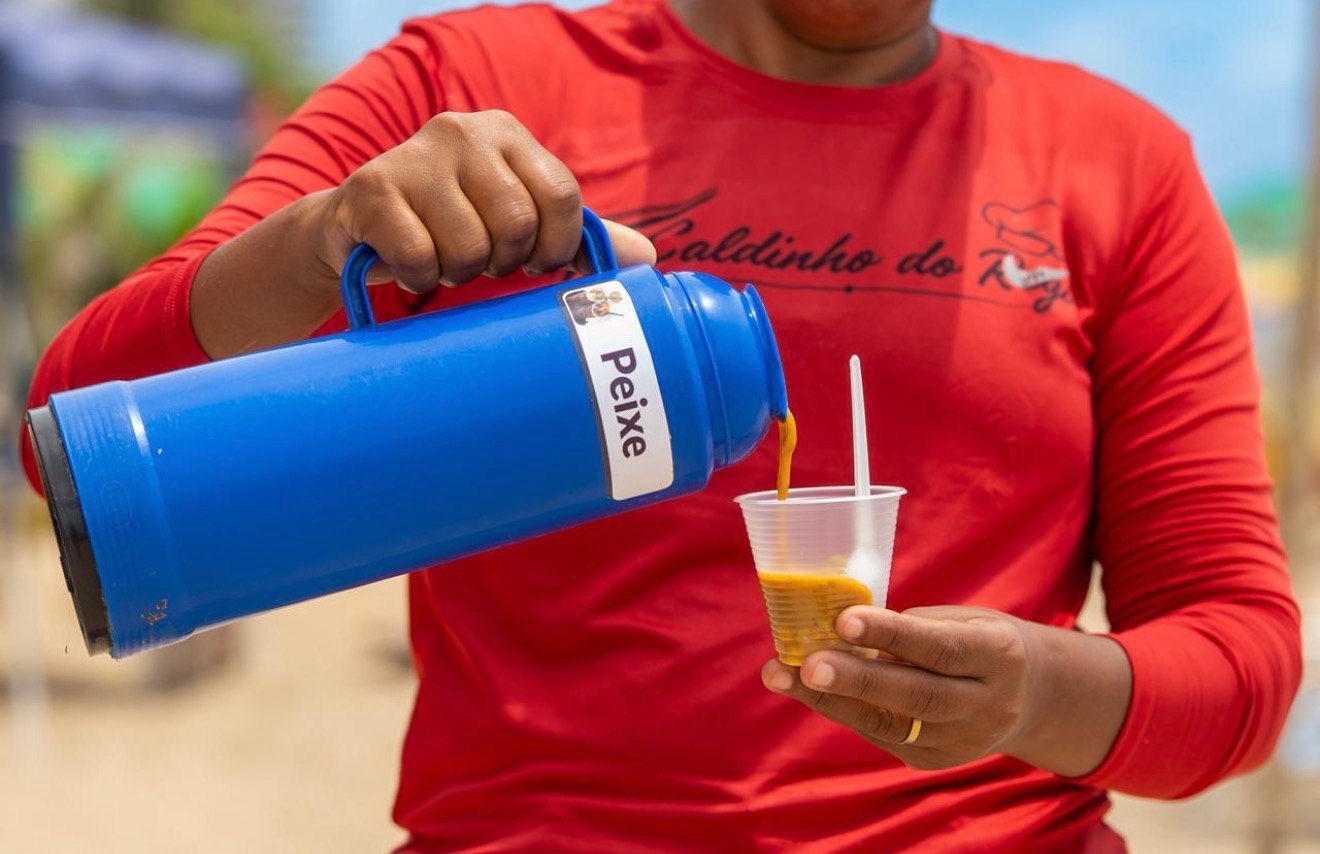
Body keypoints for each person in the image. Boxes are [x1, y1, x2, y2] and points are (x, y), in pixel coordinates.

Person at [20, 1, 1302, 850]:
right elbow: (70, 442)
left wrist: (1037, 691)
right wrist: (319, 239)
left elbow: (1236, 669)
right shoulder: (472, 92)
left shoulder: (1115, 162)